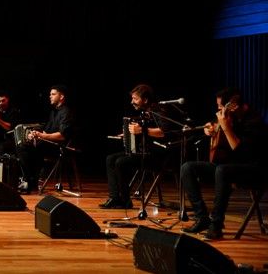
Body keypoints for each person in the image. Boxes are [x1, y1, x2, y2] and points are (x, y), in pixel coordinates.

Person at [180, 88, 267, 240]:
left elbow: (241, 152)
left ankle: (216, 224)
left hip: (256, 170)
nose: (219, 111)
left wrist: (225, 128)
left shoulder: (255, 122)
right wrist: (211, 130)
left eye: (221, 107)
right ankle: (202, 217)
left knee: (222, 170)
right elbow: (216, 130)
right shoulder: (232, 117)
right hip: (229, 168)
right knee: (187, 168)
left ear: (233, 105)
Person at [99, 83, 174, 209]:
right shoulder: (144, 112)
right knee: (110, 159)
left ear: (145, 100)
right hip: (145, 152)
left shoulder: (159, 111)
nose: (132, 102)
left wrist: (142, 130)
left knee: (121, 162)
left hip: (158, 156)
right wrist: (128, 134)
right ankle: (114, 198)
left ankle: (125, 201)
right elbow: (144, 132)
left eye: (135, 99)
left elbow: (164, 132)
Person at [16, 84, 77, 194]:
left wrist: (42, 136)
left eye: (53, 94)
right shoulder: (54, 112)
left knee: (25, 148)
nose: (50, 96)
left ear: (61, 97)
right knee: (24, 145)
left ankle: (30, 181)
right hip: (49, 144)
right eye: (50, 94)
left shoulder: (66, 112)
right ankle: (30, 180)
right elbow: (46, 131)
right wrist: (34, 134)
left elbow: (62, 136)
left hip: (60, 148)